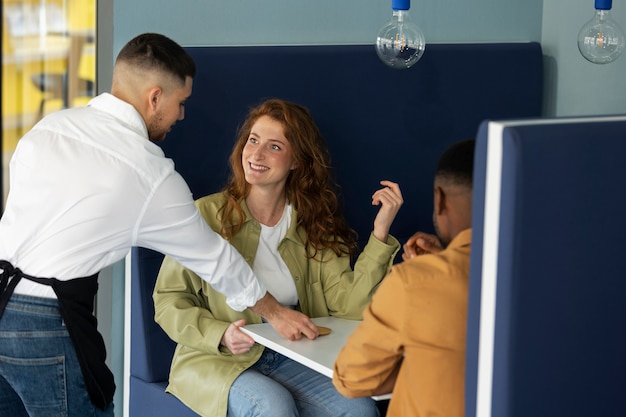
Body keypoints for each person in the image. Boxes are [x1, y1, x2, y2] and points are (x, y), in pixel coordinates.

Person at [0, 33, 317, 417]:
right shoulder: (147, 171)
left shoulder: (49, 129)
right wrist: (276, 312)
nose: (181, 115)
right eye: (179, 103)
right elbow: (216, 259)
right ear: (154, 98)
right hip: (46, 325)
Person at [153, 98, 404, 417]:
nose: (256, 154)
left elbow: (349, 306)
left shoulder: (314, 222)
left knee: (360, 409)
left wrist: (380, 234)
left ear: (296, 160)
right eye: (253, 141)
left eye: (274, 146)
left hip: (293, 354)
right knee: (273, 407)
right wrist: (221, 335)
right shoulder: (207, 215)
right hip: (217, 360)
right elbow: (169, 300)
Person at [332, 139, 475, 417]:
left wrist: (421, 361)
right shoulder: (555, 278)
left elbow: (351, 379)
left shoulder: (414, 283)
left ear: (440, 199)